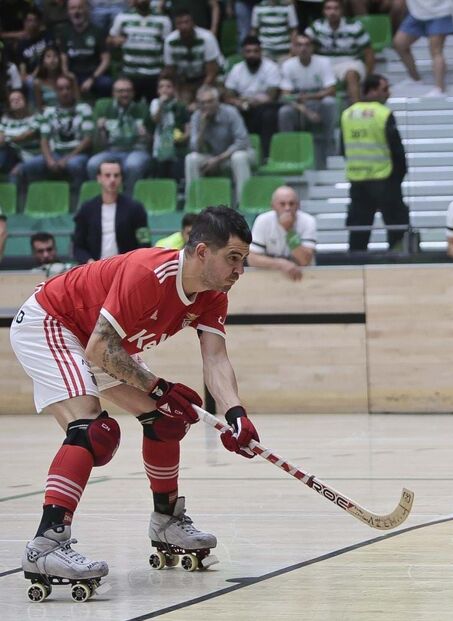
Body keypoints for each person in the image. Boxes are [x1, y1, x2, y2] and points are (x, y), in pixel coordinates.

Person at [10, 206, 261, 600]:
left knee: (165, 420)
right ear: (200, 252)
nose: (239, 270)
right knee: (92, 430)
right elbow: (99, 347)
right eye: (232, 258)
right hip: (53, 323)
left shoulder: (213, 294)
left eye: (243, 260)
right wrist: (159, 388)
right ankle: (47, 544)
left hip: (103, 342)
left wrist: (235, 414)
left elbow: (215, 359)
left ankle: (167, 522)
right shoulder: (149, 273)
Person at [341, 73, 409, 251]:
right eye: (384, 89)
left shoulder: (347, 114)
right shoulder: (383, 113)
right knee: (396, 229)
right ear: (371, 91)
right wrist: (398, 177)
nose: (388, 93)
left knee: (358, 231)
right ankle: (399, 266)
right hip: (385, 179)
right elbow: (397, 149)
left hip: (357, 181)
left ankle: (354, 269)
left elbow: (343, 148)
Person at [21, 75, 93, 197]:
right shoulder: (49, 112)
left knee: (74, 164)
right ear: (56, 91)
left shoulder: (84, 109)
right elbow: (44, 140)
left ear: (73, 90)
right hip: (56, 153)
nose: (65, 92)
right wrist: (49, 160)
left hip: (78, 154)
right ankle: (40, 196)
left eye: (68, 88)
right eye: (61, 89)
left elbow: (88, 140)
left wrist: (67, 159)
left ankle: (76, 199)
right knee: (30, 165)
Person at [185, 85, 254, 204]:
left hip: (234, 155)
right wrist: (202, 127)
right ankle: (196, 203)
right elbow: (195, 148)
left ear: (217, 101)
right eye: (203, 103)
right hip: (212, 157)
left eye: (210, 101)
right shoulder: (196, 117)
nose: (206, 106)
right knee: (191, 159)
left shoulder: (231, 112)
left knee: (239, 157)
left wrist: (218, 159)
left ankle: (244, 203)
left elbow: (242, 141)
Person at [278, 32, 338, 169]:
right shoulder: (288, 65)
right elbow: (285, 96)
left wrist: (309, 98)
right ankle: (289, 155)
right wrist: (305, 111)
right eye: (299, 45)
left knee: (330, 103)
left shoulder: (323, 62)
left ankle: (330, 150)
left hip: (318, 104)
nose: (303, 49)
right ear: (293, 48)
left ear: (312, 48)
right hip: (299, 107)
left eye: (307, 45)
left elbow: (331, 90)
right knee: (284, 112)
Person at [73, 159, 150, 263]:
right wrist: (90, 262)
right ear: (99, 178)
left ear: (121, 178)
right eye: (107, 175)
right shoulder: (87, 209)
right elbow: (78, 247)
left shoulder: (135, 208)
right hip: (94, 269)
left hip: (126, 268)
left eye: (116, 175)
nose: (112, 179)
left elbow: (144, 242)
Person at [86, 78, 150, 195]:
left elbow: (152, 141)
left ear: (133, 93)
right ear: (113, 93)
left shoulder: (143, 108)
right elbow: (100, 144)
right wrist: (101, 130)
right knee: (93, 164)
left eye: (128, 91)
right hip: (111, 150)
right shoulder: (104, 107)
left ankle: (129, 199)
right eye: (120, 91)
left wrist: (145, 135)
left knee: (132, 165)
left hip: (136, 150)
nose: (125, 94)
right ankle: (102, 197)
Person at [224, 36, 281, 162]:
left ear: (261, 52)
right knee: (229, 112)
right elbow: (228, 95)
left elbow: (271, 95)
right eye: (248, 51)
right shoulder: (237, 69)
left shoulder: (271, 67)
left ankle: (267, 155)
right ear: (243, 53)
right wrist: (239, 102)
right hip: (243, 107)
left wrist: (250, 101)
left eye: (255, 51)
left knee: (269, 114)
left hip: (264, 107)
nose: (252, 55)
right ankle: (233, 154)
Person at [307, 0, 374, 104]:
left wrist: (368, 77)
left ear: (342, 10)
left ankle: (356, 111)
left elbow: (369, 52)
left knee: (351, 74)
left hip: (349, 62)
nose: (332, 12)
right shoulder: (317, 26)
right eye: (328, 8)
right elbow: (304, 44)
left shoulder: (354, 26)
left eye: (336, 8)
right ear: (323, 11)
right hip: (324, 64)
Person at [247, 185, 317, 280]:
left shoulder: (308, 221)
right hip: (269, 278)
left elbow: (305, 261)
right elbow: (252, 259)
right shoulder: (262, 220)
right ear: (273, 206)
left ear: (298, 205)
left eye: (291, 204)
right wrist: (280, 264)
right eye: (282, 204)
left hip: (303, 277)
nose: (287, 208)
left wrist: (289, 230)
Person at [108, 0, 173, 102]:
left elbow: (168, 45)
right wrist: (114, 40)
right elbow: (110, 39)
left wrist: (167, 68)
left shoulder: (163, 19)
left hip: (154, 72)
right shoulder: (122, 17)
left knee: (154, 107)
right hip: (130, 72)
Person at [392, 0, 453, 98]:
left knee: (436, 51)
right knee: (399, 43)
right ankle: (415, 79)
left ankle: (440, 89)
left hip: (439, 12)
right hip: (417, 12)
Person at [163, 9, 222, 105]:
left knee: (207, 101)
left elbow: (212, 72)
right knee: (181, 106)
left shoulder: (207, 38)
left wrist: (199, 96)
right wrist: (177, 93)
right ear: (175, 26)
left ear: (193, 23)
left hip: (207, 79)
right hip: (185, 82)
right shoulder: (170, 41)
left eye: (186, 22)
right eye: (179, 23)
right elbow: (171, 70)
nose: (184, 26)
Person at [57, 0, 112, 99]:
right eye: (72, 8)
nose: (76, 12)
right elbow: (63, 58)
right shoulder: (64, 32)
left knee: (106, 83)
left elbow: (106, 60)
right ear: (68, 12)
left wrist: (92, 79)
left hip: (94, 74)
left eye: (80, 7)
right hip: (73, 74)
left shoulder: (98, 31)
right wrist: (68, 74)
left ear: (87, 9)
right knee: (63, 83)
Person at [149, 75, 190, 179]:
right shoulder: (155, 103)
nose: (165, 89)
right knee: (161, 176)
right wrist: (161, 105)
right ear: (158, 90)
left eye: (168, 86)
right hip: (159, 146)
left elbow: (187, 129)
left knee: (176, 174)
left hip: (176, 147)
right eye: (161, 87)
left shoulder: (180, 106)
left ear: (174, 89)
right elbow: (156, 120)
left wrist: (182, 138)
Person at [0, 89, 41, 180]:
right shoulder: (5, 121)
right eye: (13, 100)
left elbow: (27, 136)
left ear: (26, 101)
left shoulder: (36, 118)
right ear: (9, 105)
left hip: (30, 157)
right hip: (10, 157)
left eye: (19, 98)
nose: (16, 101)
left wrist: (7, 138)